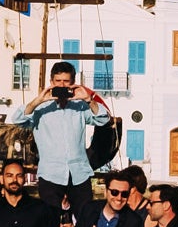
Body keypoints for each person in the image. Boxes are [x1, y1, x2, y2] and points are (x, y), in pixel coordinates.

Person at [24, 61, 118, 196]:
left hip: (79, 175)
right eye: (58, 81)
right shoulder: (39, 109)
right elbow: (19, 119)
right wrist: (38, 101)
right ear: (51, 81)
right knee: (50, 216)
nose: (62, 85)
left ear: (73, 82)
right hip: (51, 175)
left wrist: (88, 99)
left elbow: (103, 119)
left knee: (85, 215)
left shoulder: (80, 107)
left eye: (66, 81)